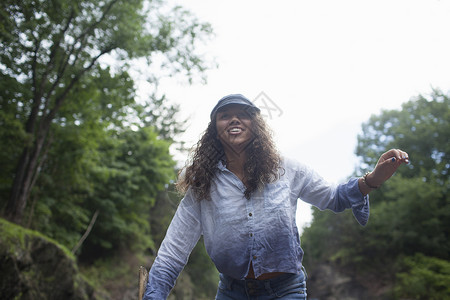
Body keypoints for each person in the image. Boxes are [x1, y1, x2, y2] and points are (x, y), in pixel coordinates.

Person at [143, 94, 409, 300]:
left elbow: (334, 198)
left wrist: (373, 179)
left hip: (286, 291)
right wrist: (153, 294)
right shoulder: (202, 184)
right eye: (225, 115)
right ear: (214, 129)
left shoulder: (287, 169)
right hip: (231, 292)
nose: (234, 119)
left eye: (243, 114)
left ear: (255, 125)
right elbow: (173, 252)